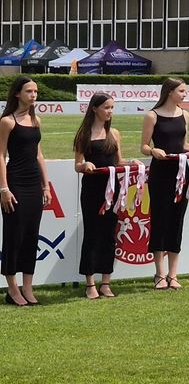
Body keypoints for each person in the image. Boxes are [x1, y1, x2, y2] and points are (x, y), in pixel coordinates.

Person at [141, 78, 189, 290]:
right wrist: (153, 151)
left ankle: (173, 274)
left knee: (176, 221)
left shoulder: (185, 114)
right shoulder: (152, 116)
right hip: (161, 173)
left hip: (181, 173)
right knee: (160, 220)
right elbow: (143, 146)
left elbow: (183, 144)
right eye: (181, 91)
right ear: (170, 92)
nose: (184, 94)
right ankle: (159, 274)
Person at [0, 76, 52, 306]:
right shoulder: (7, 121)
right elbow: (1, 156)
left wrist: (45, 185)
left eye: (36, 91)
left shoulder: (36, 120)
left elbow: (39, 155)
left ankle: (28, 287)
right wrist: (3, 188)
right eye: (29, 91)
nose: (33, 95)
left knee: (32, 235)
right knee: (14, 235)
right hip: (15, 182)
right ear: (17, 93)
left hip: (33, 183)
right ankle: (12, 289)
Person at [74, 93, 127, 299]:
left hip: (113, 189)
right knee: (92, 234)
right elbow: (77, 165)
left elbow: (119, 161)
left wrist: (133, 163)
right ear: (94, 108)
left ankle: (106, 281)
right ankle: (89, 283)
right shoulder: (84, 135)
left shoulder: (114, 133)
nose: (110, 111)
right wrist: (84, 165)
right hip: (92, 190)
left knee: (109, 235)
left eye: (112, 108)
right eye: (106, 107)